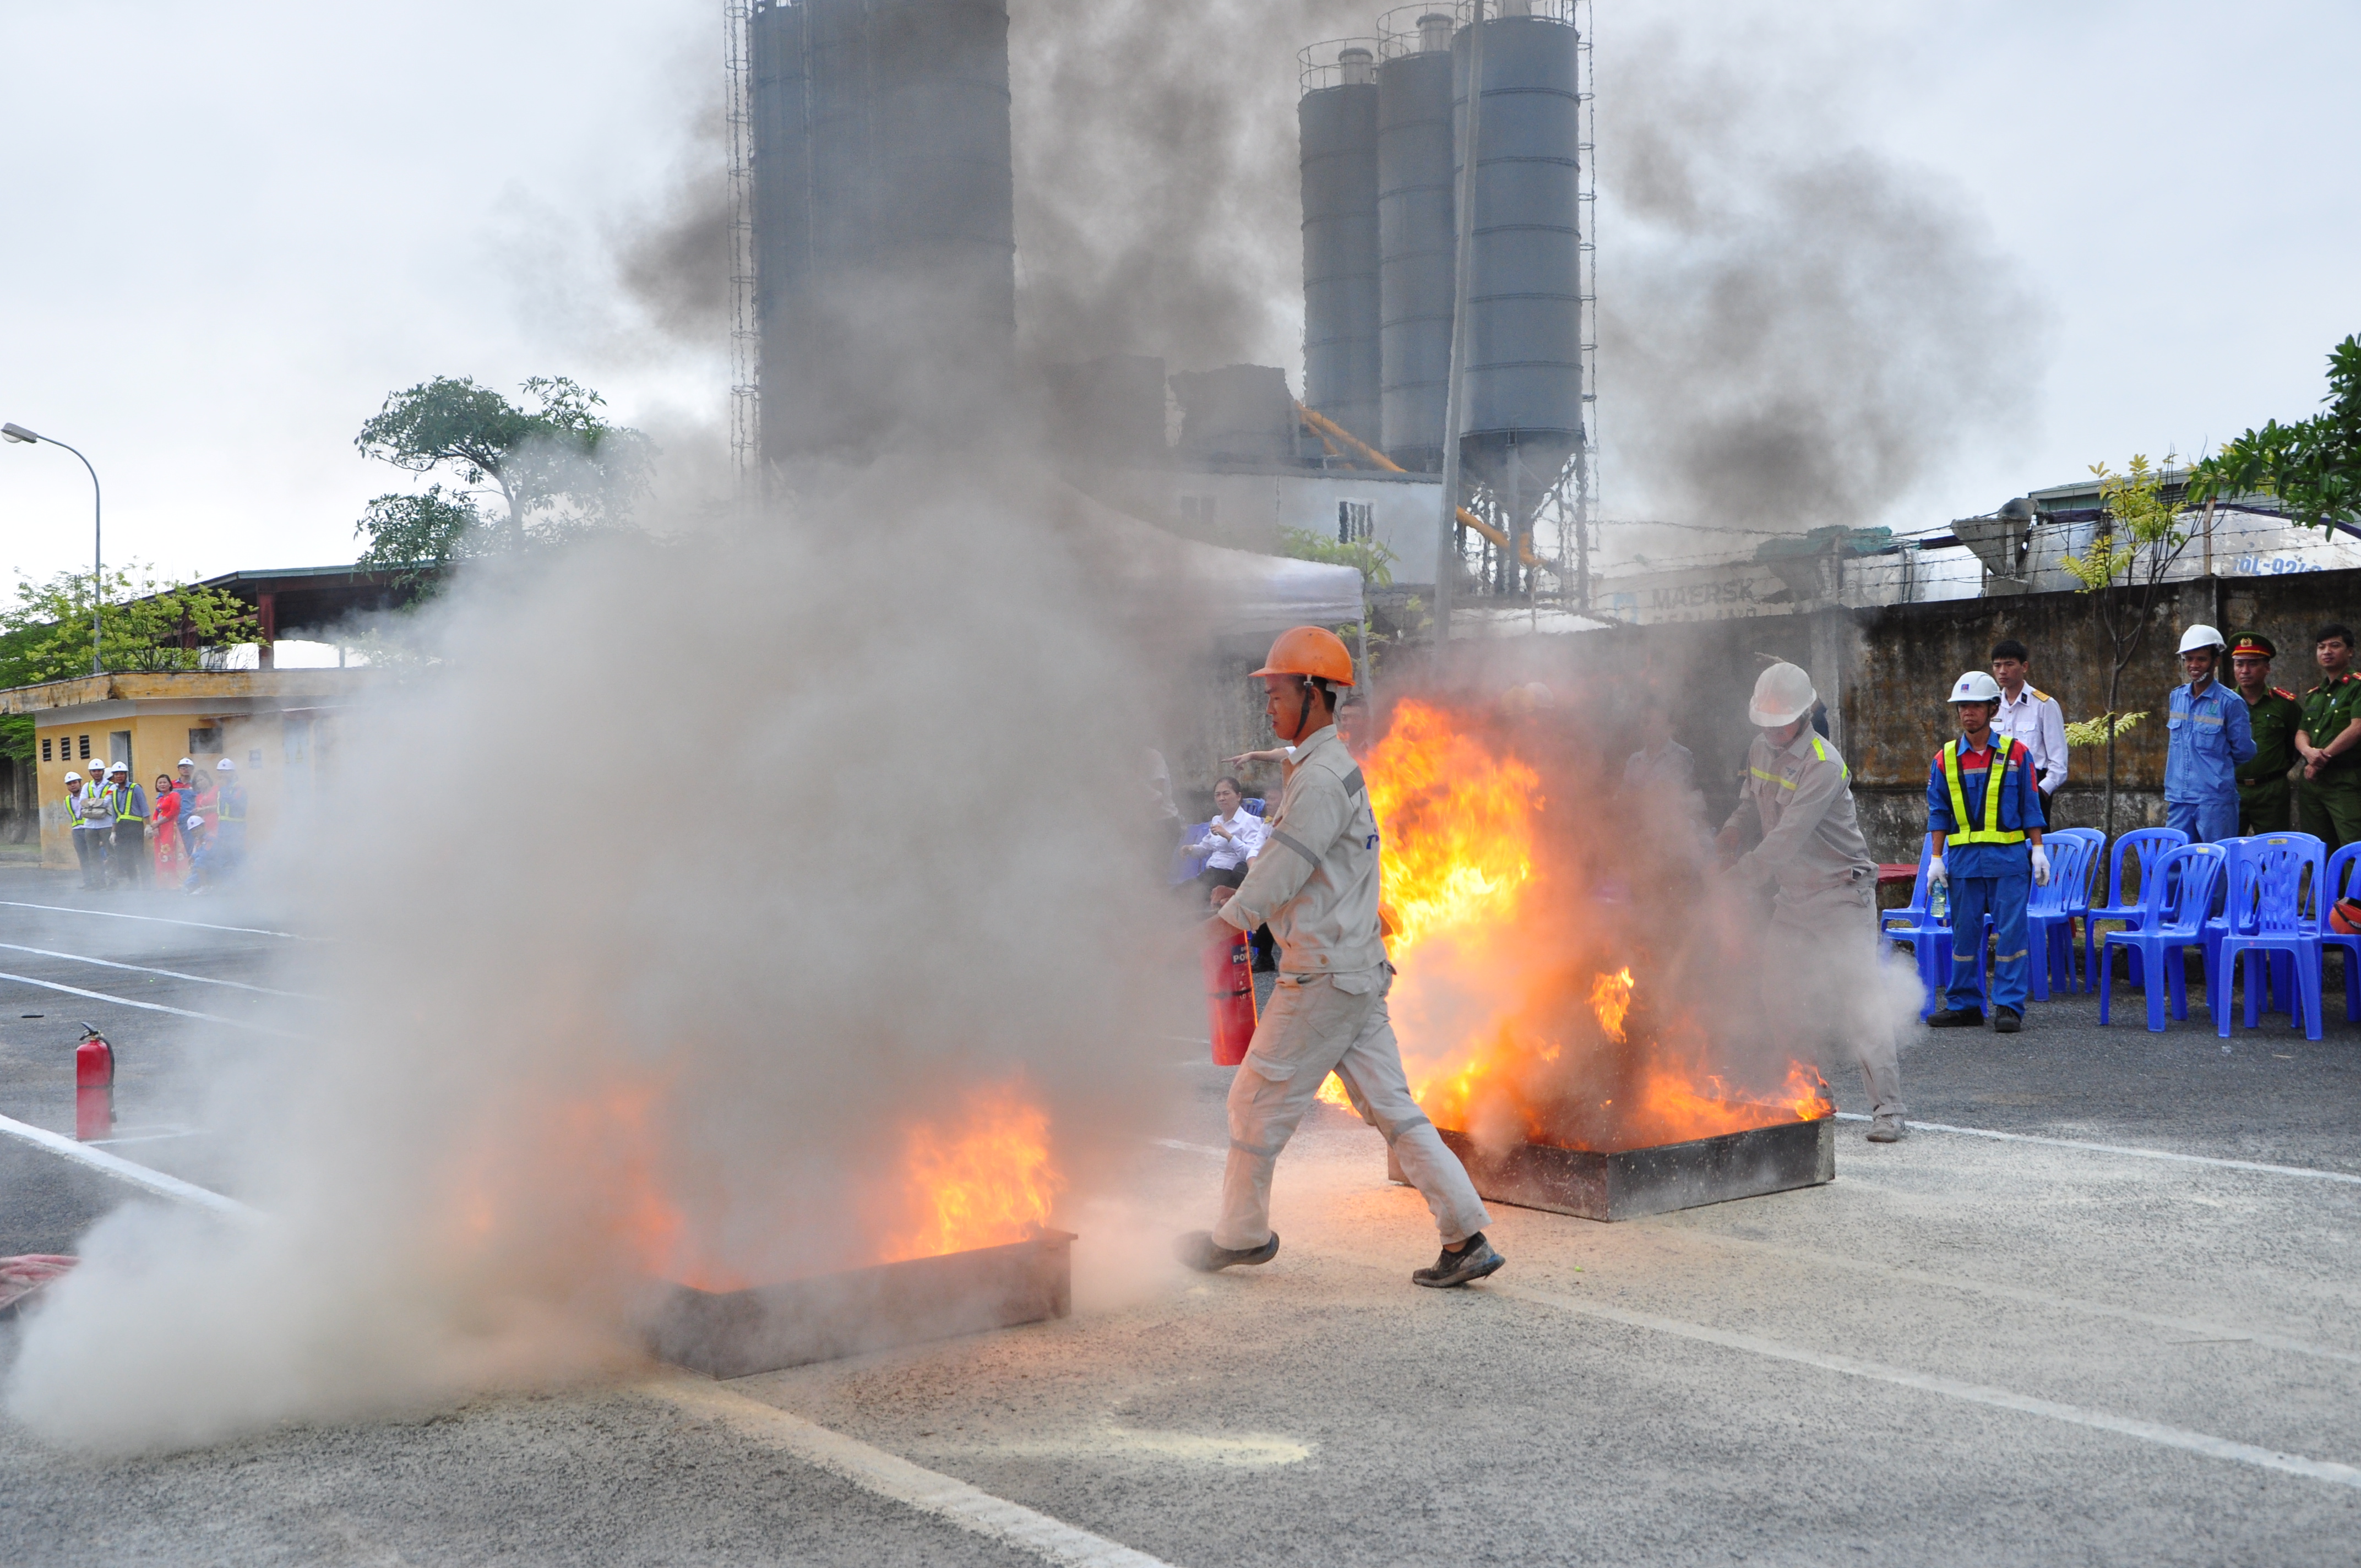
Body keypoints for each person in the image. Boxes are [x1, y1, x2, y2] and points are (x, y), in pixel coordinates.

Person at [1180, 625, 1502, 1289]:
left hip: (1322, 977)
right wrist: (1271, 755)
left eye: (1278, 691)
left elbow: (1279, 873)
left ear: (1316, 695)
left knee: (1251, 1101)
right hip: (1354, 972)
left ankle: (1240, 1235)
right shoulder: (1322, 765)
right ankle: (1465, 1234)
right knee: (1396, 1111)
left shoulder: (1322, 781)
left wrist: (1223, 922)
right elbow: (1302, 792)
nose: (1267, 703)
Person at [1715, 663, 1908, 1140]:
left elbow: (1786, 838)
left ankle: (1889, 1112)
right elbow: (1748, 803)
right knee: (1778, 996)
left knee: (1860, 1003)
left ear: (1804, 716)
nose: (1773, 730)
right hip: (1795, 898)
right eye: (1766, 721)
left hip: (1842, 895)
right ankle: (1811, 1094)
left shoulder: (1822, 763)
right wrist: (1732, 831)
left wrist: (1737, 878)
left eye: (1781, 721)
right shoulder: (1761, 748)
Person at [1923, 671, 2050, 1034]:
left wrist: (2038, 849)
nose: (1968, 713)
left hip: (2009, 860)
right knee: (1964, 934)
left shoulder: (2017, 754)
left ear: (1993, 708)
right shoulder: (1945, 759)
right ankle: (1964, 1004)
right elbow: (1938, 812)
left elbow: (2030, 804)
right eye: (1963, 706)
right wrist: (1935, 859)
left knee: (2011, 934)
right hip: (1963, 862)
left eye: (1976, 706)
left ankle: (2009, 1006)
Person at [2163, 624, 2254, 843]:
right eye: (2189, 659)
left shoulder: (2230, 703)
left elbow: (2244, 751)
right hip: (2179, 798)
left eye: (2201, 659)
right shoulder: (2177, 697)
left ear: (2216, 661)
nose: (2194, 665)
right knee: (2175, 864)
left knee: (2218, 865)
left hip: (2215, 800)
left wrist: (2215, 772)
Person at [2228, 634, 2304, 835]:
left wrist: (2277, 770)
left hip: (2272, 791)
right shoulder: (2223, 703)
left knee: (2274, 852)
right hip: (2231, 789)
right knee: (2228, 851)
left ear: (2267, 667)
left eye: (2252, 664)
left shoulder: (2284, 705)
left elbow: (2297, 743)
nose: (2245, 671)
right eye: (2239, 664)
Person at [2297, 623, 2361, 852]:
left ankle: (2354, 891)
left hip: (2344, 780)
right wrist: (2308, 753)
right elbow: (2302, 732)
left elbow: (2357, 728)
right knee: (2317, 849)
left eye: (2335, 646)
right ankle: (2325, 890)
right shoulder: (2315, 695)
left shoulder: (2357, 687)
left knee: (2352, 848)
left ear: (2350, 651)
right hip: (2313, 783)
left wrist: (2321, 759)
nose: (2327, 652)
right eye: (2321, 647)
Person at [1988, 639, 2068, 820]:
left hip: (2033, 784)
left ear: (2024, 667)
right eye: (1997, 665)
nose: (2002, 671)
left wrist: (2042, 792)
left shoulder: (2044, 705)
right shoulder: (1991, 706)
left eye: (2009, 664)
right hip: (1997, 787)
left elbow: (2059, 761)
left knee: (2035, 846)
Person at [106, 763, 149, 887]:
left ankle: (147, 884)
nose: (119, 776)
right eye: (116, 774)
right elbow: (114, 814)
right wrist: (113, 832)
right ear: (114, 777)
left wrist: (148, 825)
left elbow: (144, 807)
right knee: (125, 857)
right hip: (121, 828)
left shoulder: (136, 788)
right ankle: (133, 882)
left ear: (126, 775)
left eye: (121, 774)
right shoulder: (114, 793)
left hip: (135, 826)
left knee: (139, 855)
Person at [62, 772, 103, 889]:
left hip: (90, 829)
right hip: (77, 832)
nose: (72, 786)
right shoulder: (67, 801)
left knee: (94, 856)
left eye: (75, 783)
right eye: (69, 784)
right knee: (83, 857)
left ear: (80, 783)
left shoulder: (89, 797)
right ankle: (88, 882)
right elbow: (70, 816)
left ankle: (98, 881)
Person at [149, 774, 189, 885]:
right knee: (160, 854)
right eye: (160, 783)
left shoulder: (175, 795)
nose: (162, 784)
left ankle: (174, 882)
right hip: (160, 830)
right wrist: (155, 826)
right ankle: (163, 882)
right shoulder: (160, 799)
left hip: (170, 828)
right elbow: (156, 813)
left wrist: (158, 824)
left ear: (170, 784)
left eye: (164, 782)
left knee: (169, 853)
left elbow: (173, 812)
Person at [212, 757, 248, 872]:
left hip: (235, 828)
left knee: (238, 856)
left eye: (225, 772)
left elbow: (236, 804)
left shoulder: (239, 788)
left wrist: (223, 790)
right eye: (220, 773)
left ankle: (245, 882)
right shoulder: (222, 788)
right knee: (223, 857)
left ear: (232, 773)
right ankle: (226, 884)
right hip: (223, 827)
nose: (222, 775)